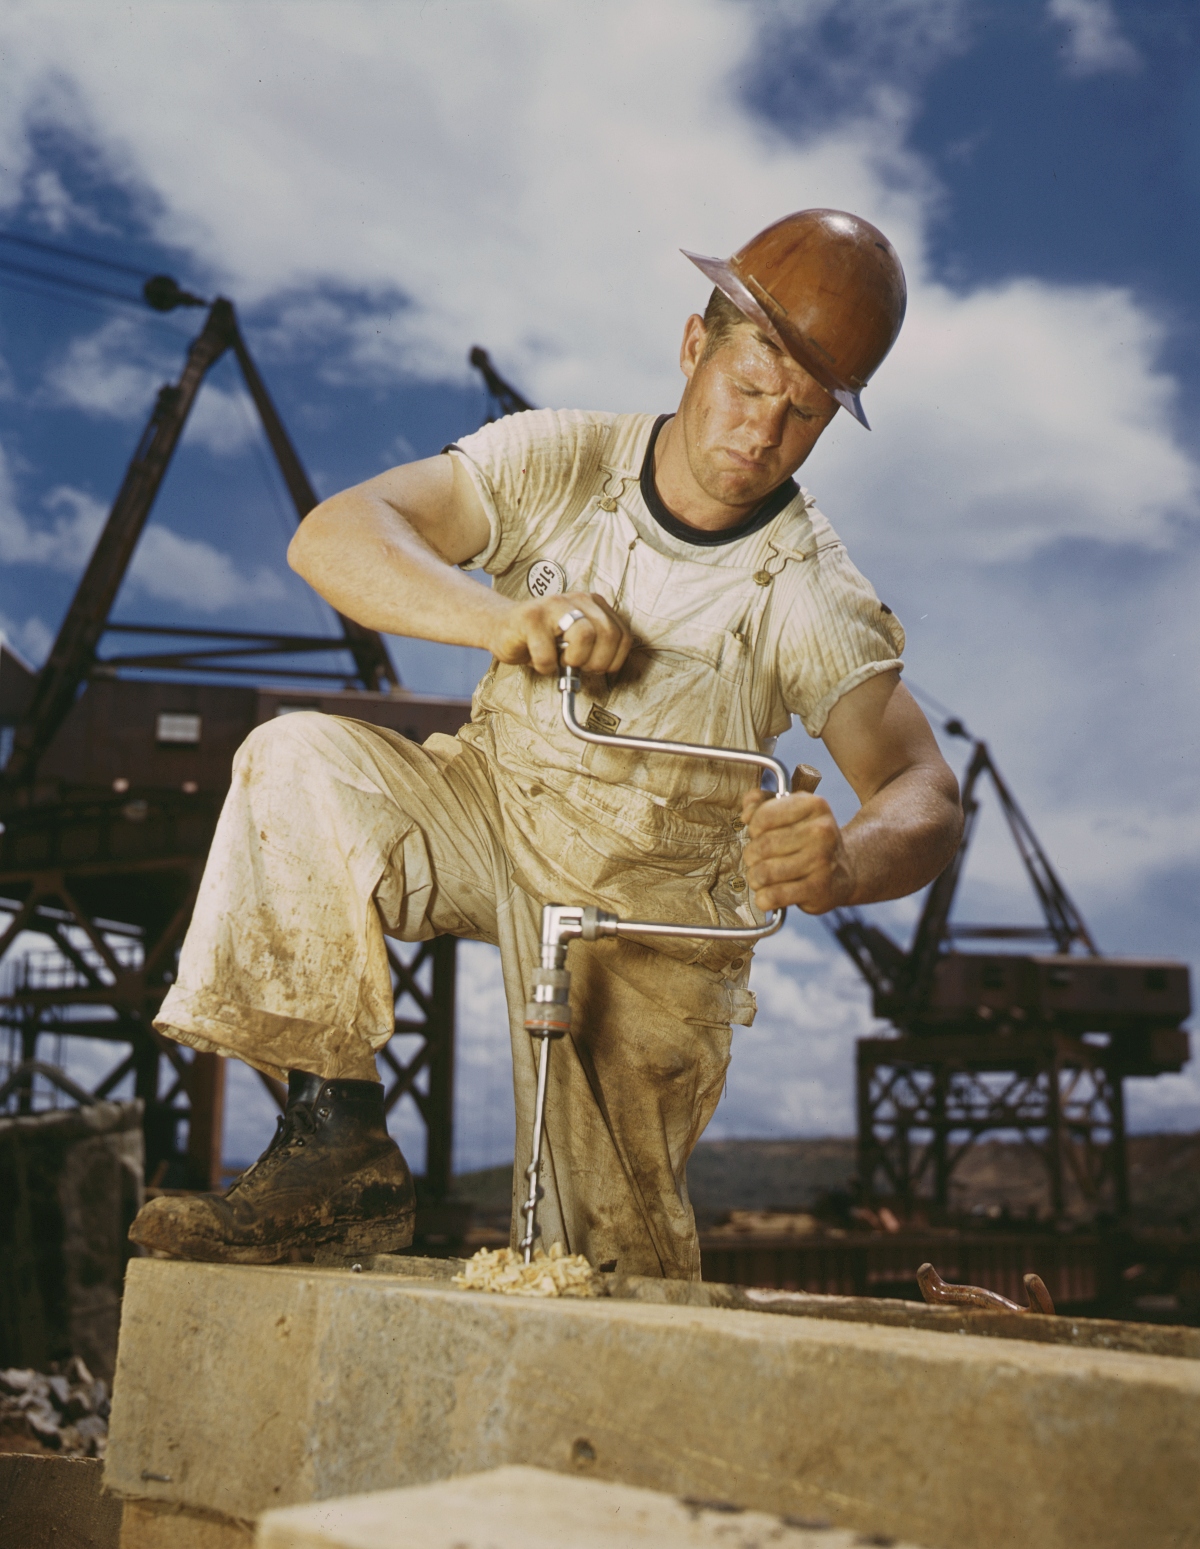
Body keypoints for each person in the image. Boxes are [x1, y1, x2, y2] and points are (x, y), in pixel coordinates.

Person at [129, 209, 962, 1277]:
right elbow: (331, 535)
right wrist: (499, 619)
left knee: (603, 1265)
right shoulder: (561, 461)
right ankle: (336, 1153)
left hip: (647, 920)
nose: (760, 434)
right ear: (693, 344)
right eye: (749, 388)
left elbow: (923, 788)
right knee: (296, 762)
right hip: (489, 811)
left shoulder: (806, 591)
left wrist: (847, 861)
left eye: (799, 417)